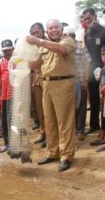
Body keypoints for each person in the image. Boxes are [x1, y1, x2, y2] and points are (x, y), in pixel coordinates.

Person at [27, 19, 76, 172]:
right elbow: (37, 64)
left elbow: (61, 50)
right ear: (47, 31)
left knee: (64, 122)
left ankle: (66, 155)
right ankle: (53, 152)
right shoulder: (44, 46)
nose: (53, 30)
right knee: (49, 121)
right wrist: (20, 60)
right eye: (51, 28)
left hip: (64, 83)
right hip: (46, 84)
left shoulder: (68, 40)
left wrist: (39, 41)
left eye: (56, 27)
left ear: (61, 28)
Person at [81, 8, 105, 137]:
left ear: (95, 17)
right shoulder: (86, 33)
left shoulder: (104, 31)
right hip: (91, 69)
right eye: (85, 19)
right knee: (93, 99)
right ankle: (94, 125)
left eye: (89, 18)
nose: (87, 21)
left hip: (104, 69)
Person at [63, 26, 89, 141]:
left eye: (71, 35)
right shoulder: (61, 47)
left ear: (74, 35)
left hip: (80, 81)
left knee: (82, 107)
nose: (69, 38)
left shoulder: (81, 47)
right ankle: (71, 131)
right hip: (66, 83)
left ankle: (80, 130)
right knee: (68, 108)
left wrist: (86, 81)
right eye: (66, 36)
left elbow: (88, 64)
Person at [30, 22, 47, 148]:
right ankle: (43, 132)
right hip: (36, 80)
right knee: (40, 109)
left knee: (49, 110)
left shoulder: (48, 43)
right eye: (33, 33)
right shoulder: (30, 47)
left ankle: (51, 135)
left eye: (37, 32)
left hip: (48, 79)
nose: (35, 35)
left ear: (43, 31)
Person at [0, 39, 14, 153]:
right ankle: (7, 143)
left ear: (13, 49)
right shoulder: (0, 62)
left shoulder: (18, 60)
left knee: (16, 119)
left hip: (16, 95)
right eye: (4, 50)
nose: (7, 52)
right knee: (6, 120)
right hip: (5, 96)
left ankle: (17, 144)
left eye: (9, 50)